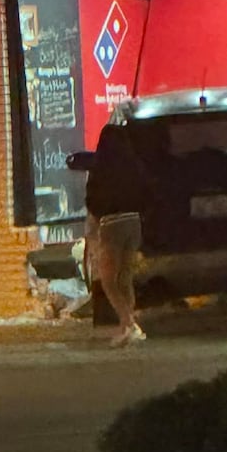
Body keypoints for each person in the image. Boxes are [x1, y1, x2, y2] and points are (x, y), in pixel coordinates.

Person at [84, 123, 148, 348]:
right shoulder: (135, 165)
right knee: (125, 278)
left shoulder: (101, 168)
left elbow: (92, 200)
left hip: (112, 224)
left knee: (108, 280)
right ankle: (127, 327)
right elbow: (147, 191)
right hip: (134, 222)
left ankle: (129, 323)